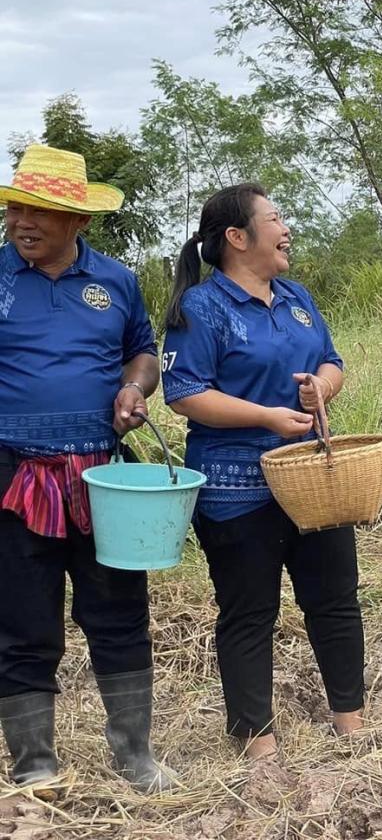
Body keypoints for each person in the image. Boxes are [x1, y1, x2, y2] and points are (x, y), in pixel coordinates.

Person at [161, 184, 364, 759]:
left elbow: (332, 359)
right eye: (275, 217)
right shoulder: (203, 308)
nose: (286, 227)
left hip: (312, 476)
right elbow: (186, 393)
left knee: (335, 599)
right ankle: (257, 739)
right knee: (250, 610)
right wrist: (266, 418)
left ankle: (351, 719)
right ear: (237, 237)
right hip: (235, 487)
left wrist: (320, 387)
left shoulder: (295, 295)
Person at [0, 145, 172, 793]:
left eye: (40, 210)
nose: (23, 221)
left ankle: (136, 757)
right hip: (12, 475)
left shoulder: (117, 284)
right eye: (17, 206)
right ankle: (34, 764)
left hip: (102, 478)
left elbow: (144, 353)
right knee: (22, 623)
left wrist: (136, 387)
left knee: (118, 615)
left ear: (80, 222)